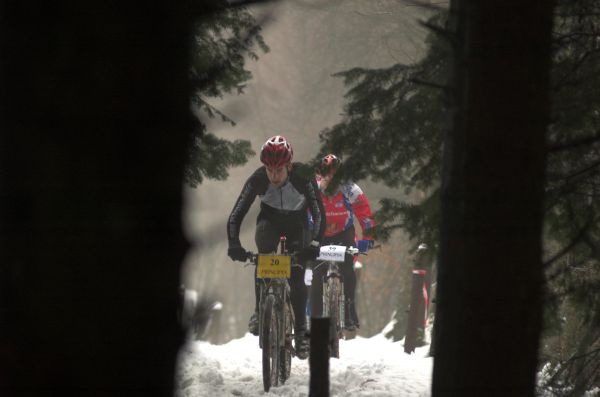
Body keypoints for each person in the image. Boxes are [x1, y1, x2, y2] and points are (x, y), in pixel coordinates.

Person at [227, 135, 324, 359]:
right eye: (269, 170)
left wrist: (315, 243)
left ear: (289, 165)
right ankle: (259, 311)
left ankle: (300, 331)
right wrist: (234, 244)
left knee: (297, 274)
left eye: (279, 170)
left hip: (297, 225)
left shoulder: (303, 177)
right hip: (269, 222)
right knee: (263, 257)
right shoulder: (258, 179)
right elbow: (236, 215)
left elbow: (319, 213)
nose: (273, 176)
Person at [311, 153, 375, 333]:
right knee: (316, 273)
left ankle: (349, 311)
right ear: (319, 175)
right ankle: (315, 320)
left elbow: (365, 215)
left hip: (344, 233)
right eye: (326, 175)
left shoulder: (351, 189)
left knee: (348, 268)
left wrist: (368, 239)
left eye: (334, 175)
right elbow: (303, 215)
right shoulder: (313, 189)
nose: (330, 180)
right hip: (320, 234)